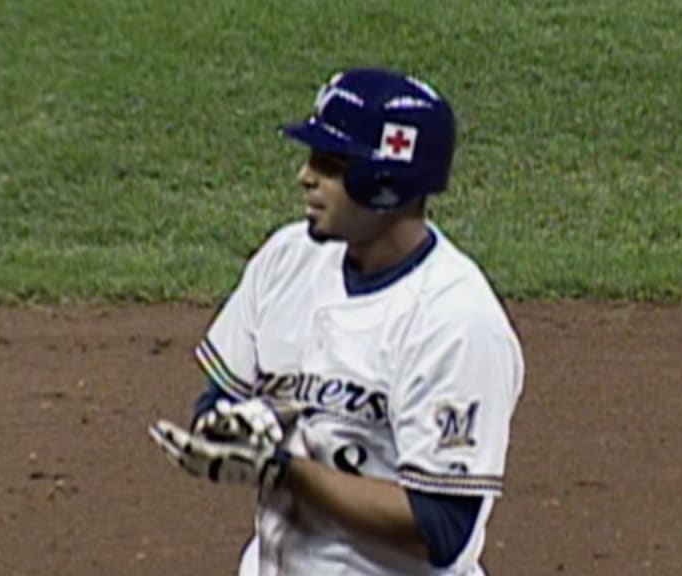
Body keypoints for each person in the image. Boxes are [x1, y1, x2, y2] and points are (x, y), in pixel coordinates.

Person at [149, 67, 525, 576]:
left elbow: (440, 527)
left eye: (329, 165)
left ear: (385, 180)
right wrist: (235, 428)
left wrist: (284, 472)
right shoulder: (286, 259)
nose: (305, 176)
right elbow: (220, 397)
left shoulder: (455, 320)